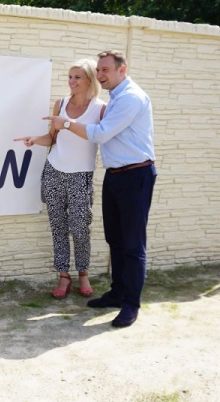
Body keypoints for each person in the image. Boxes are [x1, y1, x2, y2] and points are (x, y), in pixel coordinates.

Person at [47, 50, 155, 328]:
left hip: (135, 175)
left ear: (122, 70)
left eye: (106, 69)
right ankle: (117, 293)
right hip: (115, 175)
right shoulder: (116, 98)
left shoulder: (130, 98)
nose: (101, 74)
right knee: (115, 240)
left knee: (133, 245)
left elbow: (101, 134)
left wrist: (66, 123)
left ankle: (131, 304)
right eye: (99, 70)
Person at [15, 58, 105, 300]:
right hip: (54, 170)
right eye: (70, 76)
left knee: (80, 227)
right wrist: (35, 139)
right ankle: (63, 276)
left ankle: (83, 273)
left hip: (81, 175)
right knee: (58, 226)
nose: (71, 81)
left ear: (90, 80)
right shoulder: (61, 104)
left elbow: (101, 137)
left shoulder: (100, 109)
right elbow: (52, 139)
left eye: (77, 77)